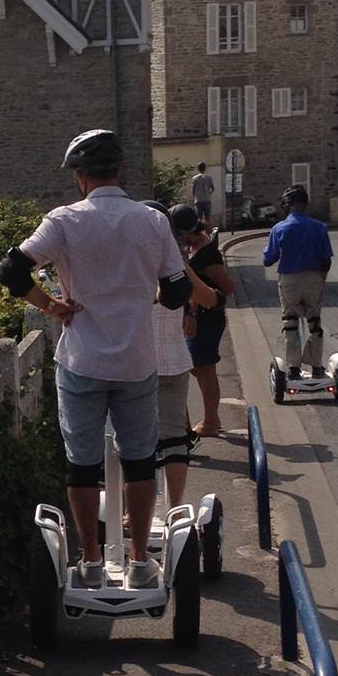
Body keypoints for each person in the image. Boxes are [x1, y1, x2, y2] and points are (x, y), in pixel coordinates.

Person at [0, 130, 192, 588]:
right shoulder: (152, 221)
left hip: (82, 360)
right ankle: (140, 561)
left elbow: (11, 271)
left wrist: (51, 306)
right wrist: (145, 294)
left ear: (80, 177)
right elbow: (178, 290)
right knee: (140, 460)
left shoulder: (64, 221)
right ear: (119, 170)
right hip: (137, 362)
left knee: (82, 465)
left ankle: (88, 561)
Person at [141, 201, 219, 512]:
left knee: (136, 442)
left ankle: (134, 513)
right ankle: (175, 509)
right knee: (174, 439)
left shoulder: (128, 260)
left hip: (136, 363)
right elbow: (208, 297)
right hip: (174, 360)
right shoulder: (175, 262)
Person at [262, 185, 333, 378]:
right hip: (313, 278)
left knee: (290, 322)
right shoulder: (319, 227)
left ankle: (293, 367)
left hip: (289, 280)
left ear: (285, 205)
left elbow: (268, 259)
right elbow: (326, 260)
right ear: (305, 204)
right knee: (315, 323)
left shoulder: (279, 228)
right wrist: (321, 280)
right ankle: (316, 365)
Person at [177, 206, 236, 434]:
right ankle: (212, 419)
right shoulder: (195, 249)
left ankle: (212, 421)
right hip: (199, 318)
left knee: (204, 368)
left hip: (207, 319)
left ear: (186, 232)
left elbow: (227, 287)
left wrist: (196, 307)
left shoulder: (208, 254)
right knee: (198, 367)